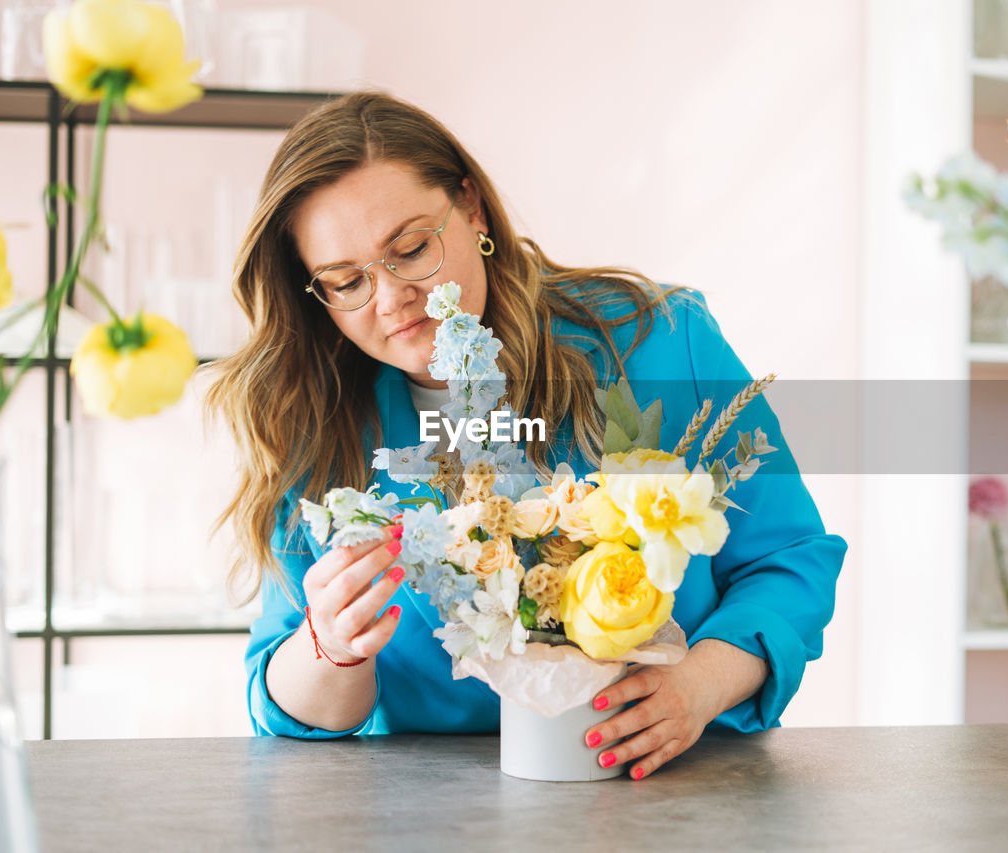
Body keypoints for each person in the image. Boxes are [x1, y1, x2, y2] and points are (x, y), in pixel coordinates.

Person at [206, 92, 846, 781]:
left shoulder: (659, 341)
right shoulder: (317, 416)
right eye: (344, 281)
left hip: (661, 794)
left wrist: (698, 686)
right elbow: (283, 698)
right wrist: (331, 645)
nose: (389, 298)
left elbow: (790, 561)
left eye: (412, 249)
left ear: (472, 208)